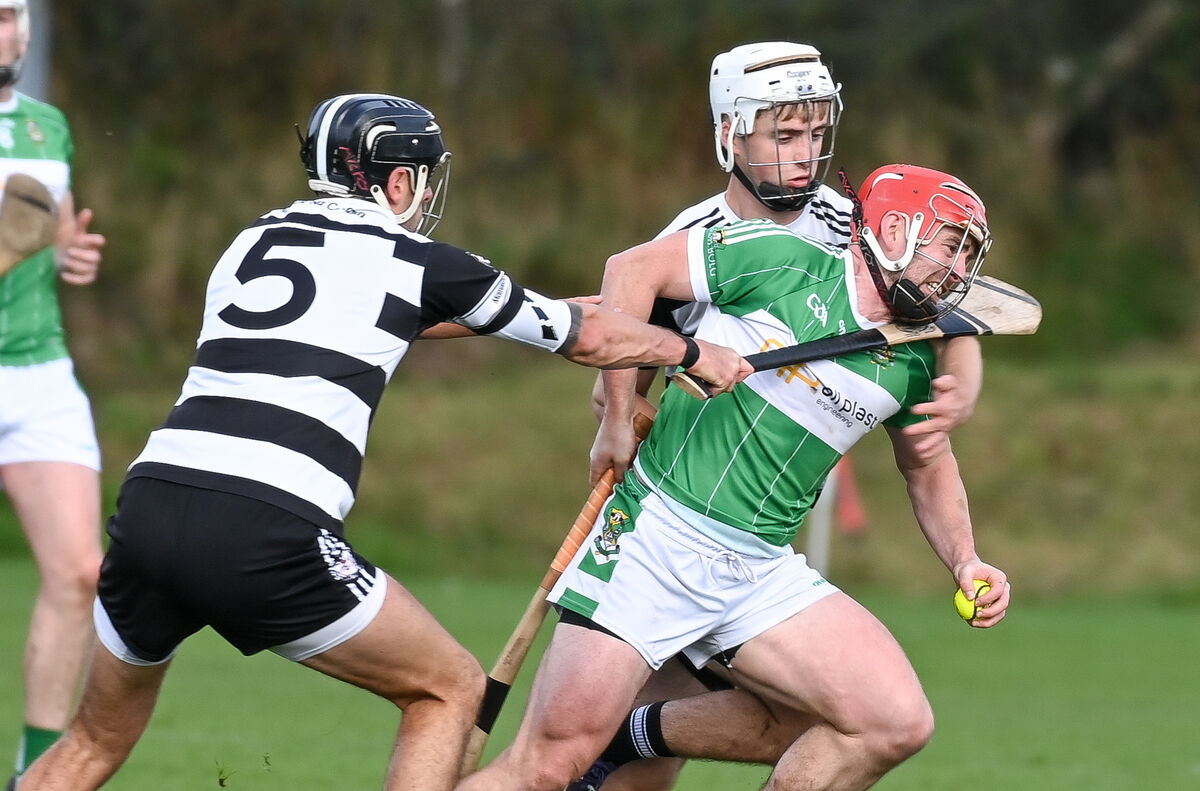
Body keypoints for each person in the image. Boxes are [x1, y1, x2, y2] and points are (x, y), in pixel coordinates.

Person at [17, 93, 749, 791]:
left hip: (152, 504)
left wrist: (560, 309)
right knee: (448, 687)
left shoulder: (252, 240)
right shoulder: (420, 261)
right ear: (398, 180)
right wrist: (687, 352)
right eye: (423, 179)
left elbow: (381, 314)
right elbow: (587, 340)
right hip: (265, 521)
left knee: (92, 740)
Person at [454, 162, 1012, 791]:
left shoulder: (913, 358)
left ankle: (629, 733)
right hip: (653, 537)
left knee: (892, 721)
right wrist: (615, 414)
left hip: (758, 572)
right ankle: (600, 741)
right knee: (546, 768)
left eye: (970, 254)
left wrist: (965, 560)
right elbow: (630, 272)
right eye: (952, 245)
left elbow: (927, 462)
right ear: (896, 228)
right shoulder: (781, 258)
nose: (961, 271)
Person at [577, 41, 983, 791]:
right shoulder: (692, 231)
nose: (807, 157)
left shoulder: (850, 221)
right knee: (639, 763)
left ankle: (621, 740)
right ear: (730, 132)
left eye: (818, 135)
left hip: (756, 531)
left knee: (813, 717)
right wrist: (619, 407)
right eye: (785, 136)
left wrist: (965, 371)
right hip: (669, 505)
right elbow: (618, 321)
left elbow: (948, 294)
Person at [0, 0, 107, 786]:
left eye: (7, 16)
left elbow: (53, 226)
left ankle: (35, 776)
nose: (1, 33)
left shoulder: (48, 123)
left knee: (79, 573)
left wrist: (70, 254)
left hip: (39, 370)